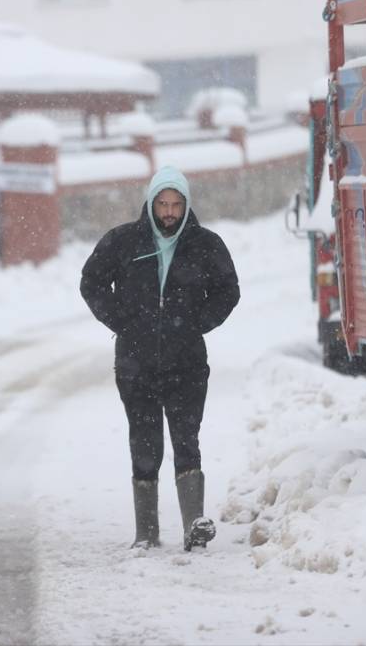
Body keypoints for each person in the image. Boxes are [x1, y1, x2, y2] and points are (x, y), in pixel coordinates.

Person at [80, 165, 240, 551]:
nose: (169, 212)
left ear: (187, 206)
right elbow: (91, 282)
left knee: (187, 439)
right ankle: (147, 533)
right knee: (145, 441)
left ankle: (193, 527)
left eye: (176, 205)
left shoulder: (206, 245)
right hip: (136, 363)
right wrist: (123, 321)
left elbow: (228, 291)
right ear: (150, 204)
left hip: (187, 362)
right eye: (163, 204)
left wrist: (195, 324)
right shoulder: (123, 242)